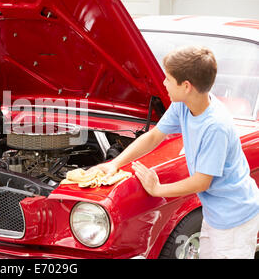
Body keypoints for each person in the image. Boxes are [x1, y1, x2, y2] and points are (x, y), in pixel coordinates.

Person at [92, 45, 259, 259]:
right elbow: (154, 136)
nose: (163, 83)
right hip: (216, 214)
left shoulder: (215, 126)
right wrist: (115, 164)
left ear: (186, 86)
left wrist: (157, 189)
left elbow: (201, 182)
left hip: (235, 220)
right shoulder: (183, 105)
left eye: (168, 79)